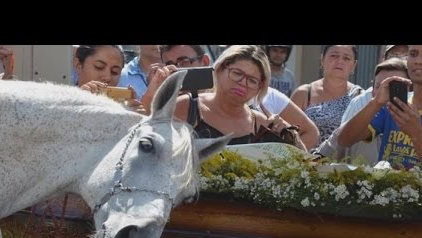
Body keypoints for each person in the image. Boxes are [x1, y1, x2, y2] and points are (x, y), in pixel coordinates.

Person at [173, 45, 305, 150]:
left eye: (252, 80)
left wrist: (289, 137)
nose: (243, 83)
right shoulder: (186, 107)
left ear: (260, 88)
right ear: (219, 70)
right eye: (237, 73)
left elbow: (304, 161)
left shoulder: (260, 123)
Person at [338, 45, 422, 169]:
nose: (418, 61)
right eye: (413, 54)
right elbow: (344, 140)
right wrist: (376, 103)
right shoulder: (396, 104)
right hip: (386, 187)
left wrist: (416, 133)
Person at [315, 57, 409, 165]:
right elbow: (339, 142)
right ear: (372, 91)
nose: (386, 91)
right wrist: (376, 103)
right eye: (381, 86)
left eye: (395, 87)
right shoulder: (362, 120)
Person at [291, 45, 363, 145]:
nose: (339, 61)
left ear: (354, 65)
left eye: (346, 58)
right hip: (306, 158)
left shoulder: (360, 96)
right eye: (334, 56)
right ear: (322, 59)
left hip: (346, 159)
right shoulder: (303, 94)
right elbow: (288, 134)